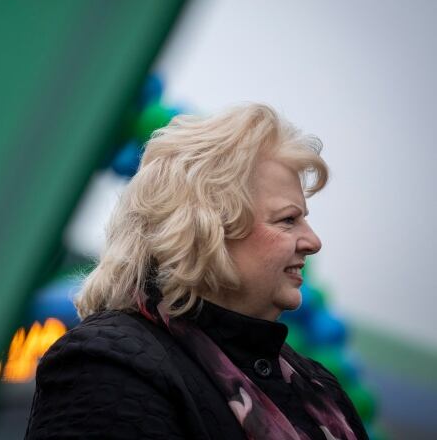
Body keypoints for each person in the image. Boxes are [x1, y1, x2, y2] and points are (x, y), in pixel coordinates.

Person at [25, 104, 367, 439]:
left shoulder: (319, 385)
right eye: (288, 220)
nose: (313, 241)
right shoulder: (106, 365)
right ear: (206, 230)